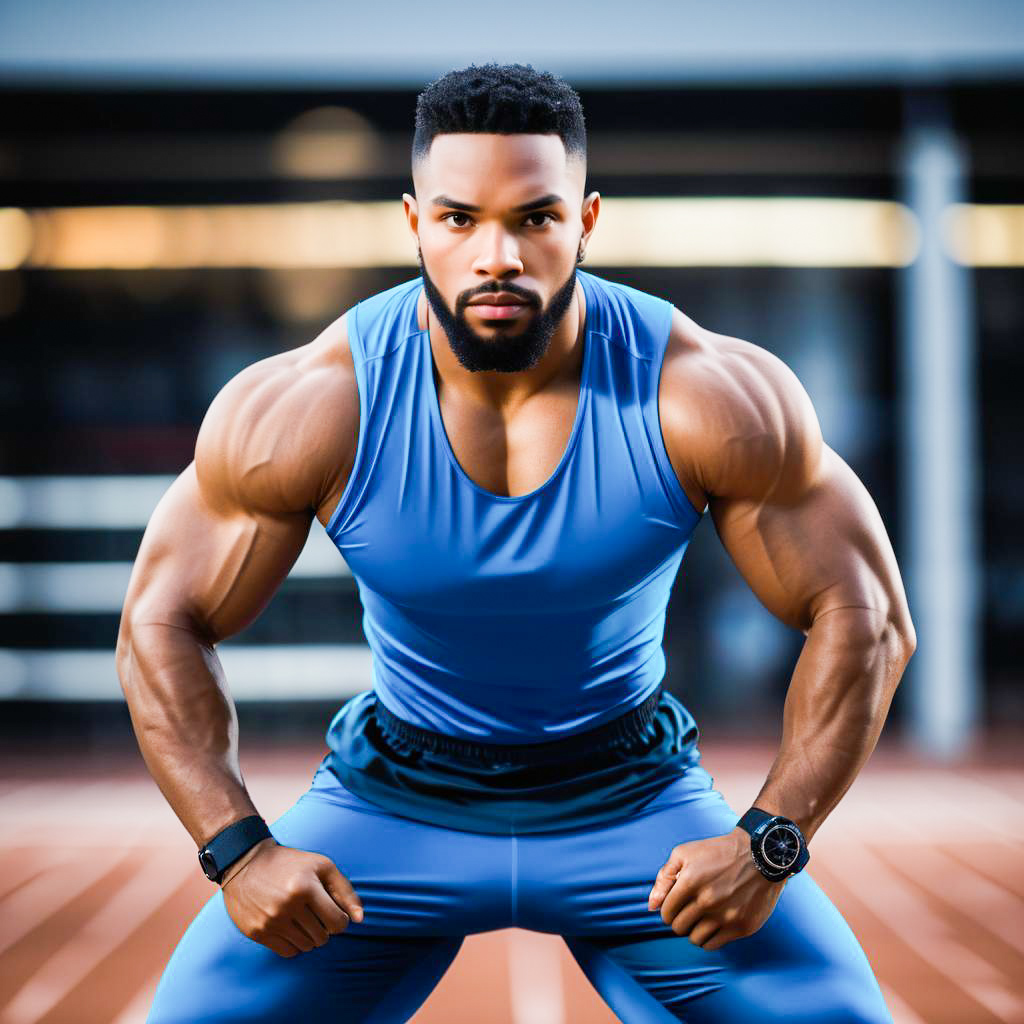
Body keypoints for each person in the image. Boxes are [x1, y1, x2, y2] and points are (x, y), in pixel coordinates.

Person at [118, 63, 915, 1023]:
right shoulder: (311, 405)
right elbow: (159, 620)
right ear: (414, 224)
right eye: (460, 220)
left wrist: (768, 842)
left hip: (633, 809)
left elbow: (867, 616)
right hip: (392, 811)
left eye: (534, 218)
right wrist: (237, 848)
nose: (496, 254)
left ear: (584, 221)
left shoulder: (706, 396)